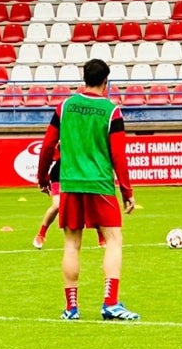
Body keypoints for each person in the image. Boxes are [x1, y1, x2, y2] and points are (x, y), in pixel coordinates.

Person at [36, 59, 137, 321]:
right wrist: (127, 193)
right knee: (114, 241)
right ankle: (110, 303)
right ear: (106, 82)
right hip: (100, 184)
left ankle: (71, 308)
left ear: (84, 79)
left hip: (69, 184)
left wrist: (43, 176)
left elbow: (47, 145)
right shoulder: (111, 112)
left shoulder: (65, 107)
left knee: (71, 245)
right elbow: (119, 156)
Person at [33, 148, 106, 250]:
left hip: (80, 174)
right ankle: (41, 235)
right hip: (59, 175)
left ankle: (101, 237)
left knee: (90, 204)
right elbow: (48, 153)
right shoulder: (64, 136)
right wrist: (43, 178)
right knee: (56, 206)